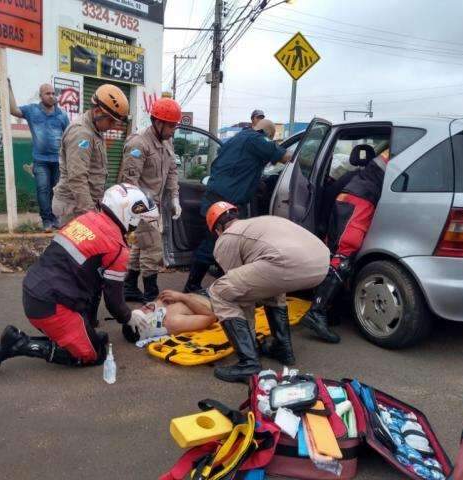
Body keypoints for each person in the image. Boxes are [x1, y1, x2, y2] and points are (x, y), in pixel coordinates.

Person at [0, 183, 159, 374]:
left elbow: (88, 277)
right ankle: (20, 344)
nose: (136, 227)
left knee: (97, 337)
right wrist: (129, 316)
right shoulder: (117, 247)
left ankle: (65, 334)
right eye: (138, 221)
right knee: (94, 354)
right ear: (129, 215)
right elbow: (113, 301)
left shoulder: (87, 219)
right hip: (52, 307)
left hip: (34, 291)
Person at [205, 202, 330, 383]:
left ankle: (249, 363)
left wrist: (251, 338)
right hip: (321, 263)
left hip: (287, 263)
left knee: (220, 291)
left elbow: (239, 294)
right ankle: (283, 349)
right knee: (271, 283)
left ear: (217, 228)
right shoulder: (260, 222)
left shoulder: (227, 238)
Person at [183, 118, 292, 293]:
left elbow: (235, 166)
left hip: (215, 198)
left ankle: (221, 285)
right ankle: (191, 287)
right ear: (267, 134)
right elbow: (286, 156)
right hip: (225, 203)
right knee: (213, 244)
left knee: (225, 243)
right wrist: (301, 157)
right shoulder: (256, 139)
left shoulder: (235, 140)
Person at [299, 147, 390, 343]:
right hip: (360, 199)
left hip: (353, 197)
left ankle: (328, 308)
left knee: (336, 254)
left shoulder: (395, 150)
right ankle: (316, 313)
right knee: (343, 255)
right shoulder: (405, 148)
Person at [120, 97, 182, 303]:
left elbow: (172, 170)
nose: (174, 130)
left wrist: (175, 197)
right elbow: (129, 183)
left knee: (139, 246)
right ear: (158, 122)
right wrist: (142, 211)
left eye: (175, 125)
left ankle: (129, 287)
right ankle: (151, 294)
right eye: (171, 125)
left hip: (154, 204)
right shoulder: (139, 144)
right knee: (152, 249)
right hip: (140, 206)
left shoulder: (166, 141)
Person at [52, 84, 129, 226]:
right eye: (111, 120)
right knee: (77, 248)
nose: (113, 126)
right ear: (98, 111)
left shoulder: (95, 131)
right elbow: (77, 178)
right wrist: (91, 214)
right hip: (74, 206)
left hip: (83, 204)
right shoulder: (82, 133)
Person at [9, 80, 69, 231]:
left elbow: (69, 137)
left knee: (56, 192)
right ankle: (46, 220)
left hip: (58, 161)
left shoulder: (61, 115)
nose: (51, 96)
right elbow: (14, 110)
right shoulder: (32, 110)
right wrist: (8, 87)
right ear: (41, 96)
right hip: (40, 160)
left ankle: (55, 218)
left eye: (53, 93)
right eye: (48, 93)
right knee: (43, 190)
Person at [122, 290, 217, 342]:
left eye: (141, 308)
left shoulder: (157, 312)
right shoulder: (174, 322)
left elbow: (161, 298)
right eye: (144, 311)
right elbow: (211, 317)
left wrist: (162, 296)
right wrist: (182, 297)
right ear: (148, 325)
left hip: (207, 292)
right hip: (217, 301)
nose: (144, 306)